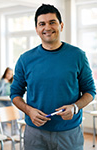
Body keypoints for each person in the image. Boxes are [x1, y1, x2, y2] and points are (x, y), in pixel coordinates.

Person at [10, 4, 96, 150]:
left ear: (61, 26)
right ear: (37, 29)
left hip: (69, 133)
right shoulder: (25, 59)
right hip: (34, 133)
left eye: (52, 22)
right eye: (42, 24)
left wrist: (75, 108)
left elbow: (90, 92)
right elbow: (15, 94)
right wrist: (29, 111)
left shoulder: (78, 56)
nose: (47, 27)